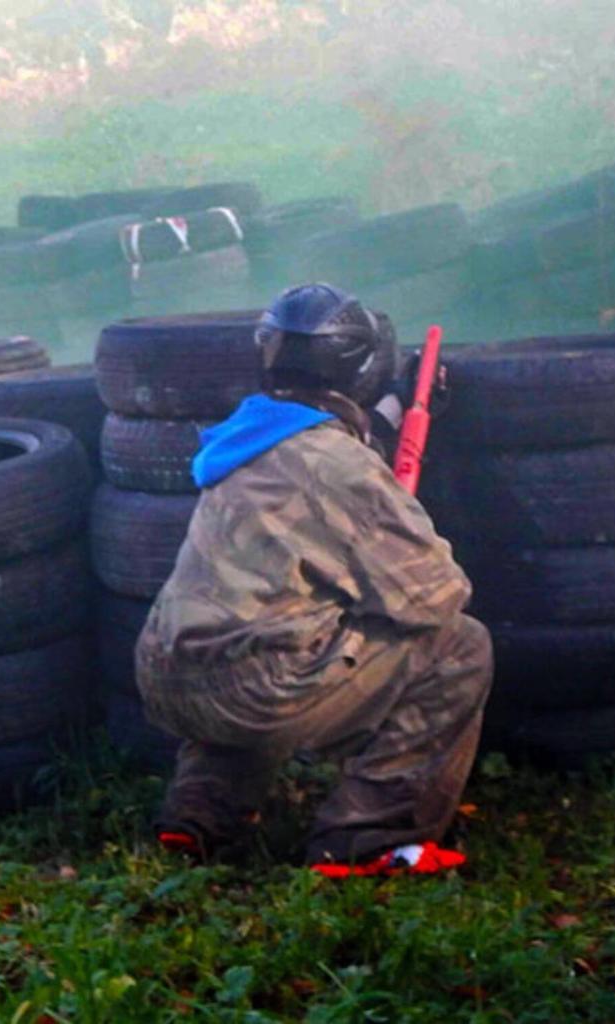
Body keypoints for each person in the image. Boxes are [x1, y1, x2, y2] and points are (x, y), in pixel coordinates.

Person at [136, 283, 493, 877]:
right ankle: (367, 841)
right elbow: (434, 595)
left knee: (265, 634)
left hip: (168, 675)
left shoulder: (245, 437)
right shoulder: (337, 465)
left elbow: (326, 448)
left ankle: (198, 817)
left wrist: (393, 414)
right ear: (362, 368)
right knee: (460, 645)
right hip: (255, 692)